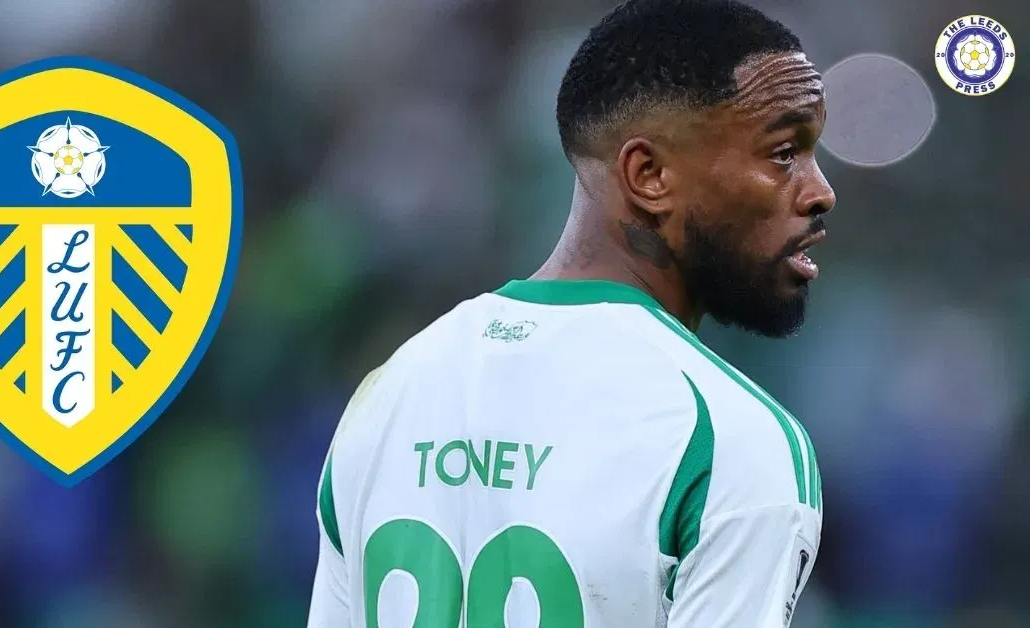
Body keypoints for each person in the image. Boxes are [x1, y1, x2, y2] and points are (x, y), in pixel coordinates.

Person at [308, 0, 836, 625]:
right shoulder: (728, 439)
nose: (821, 192)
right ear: (649, 175)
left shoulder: (393, 390)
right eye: (784, 153)